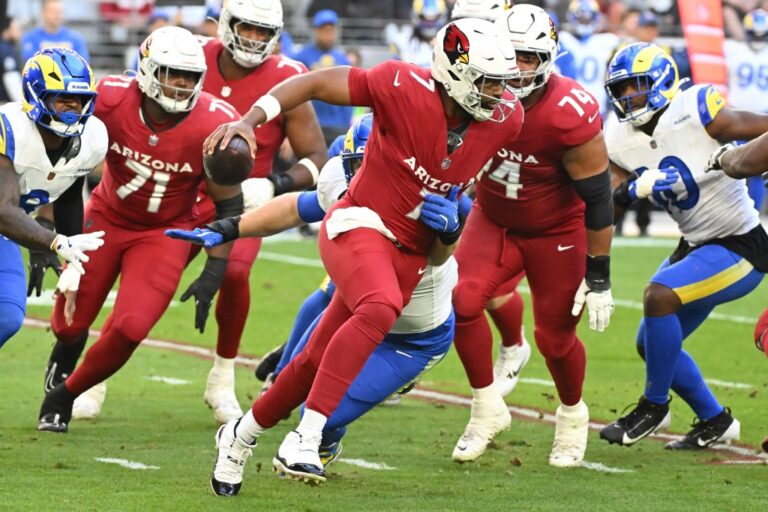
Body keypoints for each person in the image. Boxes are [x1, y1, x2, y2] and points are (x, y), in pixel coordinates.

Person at [200, 17, 523, 494]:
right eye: (488, 81)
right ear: (454, 73)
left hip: (413, 259)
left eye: (502, 82)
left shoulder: (506, 119)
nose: (499, 93)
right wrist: (249, 121)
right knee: (378, 306)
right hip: (361, 224)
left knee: (311, 361)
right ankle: (306, 437)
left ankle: (239, 437)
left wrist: (452, 229)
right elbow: (315, 83)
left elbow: (440, 256)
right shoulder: (401, 85)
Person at [169, 113, 465, 471]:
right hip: (355, 310)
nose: (371, 176)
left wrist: (450, 234)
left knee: (321, 412)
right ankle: (242, 435)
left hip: (412, 337)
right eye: (362, 165)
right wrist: (229, 228)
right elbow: (295, 208)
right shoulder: (340, 182)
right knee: (293, 381)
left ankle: (321, 439)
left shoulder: (437, 198)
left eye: (380, 164)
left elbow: (439, 258)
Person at [36, 26, 245, 433]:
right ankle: (63, 356)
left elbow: (229, 204)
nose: (182, 84)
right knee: (69, 323)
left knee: (132, 326)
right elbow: (62, 158)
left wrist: (215, 268)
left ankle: (65, 394)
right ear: (148, 70)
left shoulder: (214, 121)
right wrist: (46, 226)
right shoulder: (110, 99)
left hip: (165, 232)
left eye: (190, 76)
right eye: (172, 73)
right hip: (106, 218)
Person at [450, 5, 614, 468]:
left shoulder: (567, 111)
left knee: (555, 338)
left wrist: (599, 274)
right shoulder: (475, 87)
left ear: (547, 58)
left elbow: (599, 197)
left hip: (556, 231)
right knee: (462, 301)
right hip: (493, 218)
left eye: (529, 56)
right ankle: (486, 408)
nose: (519, 66)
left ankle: (572, 416)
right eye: (512, 54)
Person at [600, 42, 768, 450]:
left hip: (740, 244)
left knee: (658, 297)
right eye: (621, 89)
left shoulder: (695, 108)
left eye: (636, 85)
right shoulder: (618, 138)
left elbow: (760, 128)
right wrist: (629, 193)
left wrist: (742, 158)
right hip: (694, 244)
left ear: (661, 79)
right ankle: (715, 420)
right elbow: (605, 208)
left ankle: (654, 406)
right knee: (651, 342)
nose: (628, 96)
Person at [191, 0, 327, 424]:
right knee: (144, 276)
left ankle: (222, 375)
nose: (253, 39)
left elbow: (316, 157)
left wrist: (274, 184)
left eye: (262, 31)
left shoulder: (288, 76)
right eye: (246, 28)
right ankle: (93, 376)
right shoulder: (191, 55)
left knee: (234, 274)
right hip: (182, 193)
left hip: (245, 200)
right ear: (227, 23)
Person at [0, 47, 106, 348]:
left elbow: (68, 193)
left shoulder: (92, 139)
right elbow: (3, 210)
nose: (72, 107)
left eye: (79, 99)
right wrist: (53, 242)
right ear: (36, 96)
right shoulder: (9, 128)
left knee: (6, 316)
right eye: (62, 98)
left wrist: (69, 262)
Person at [723, 9, 768, 211]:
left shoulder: (732, 49)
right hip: (736, 118)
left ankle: (752, 215)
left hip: (757, 119)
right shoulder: (732, 49)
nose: (758, 39)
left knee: (755, 170)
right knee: (728, 168)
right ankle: (734, 214)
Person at [294, 9, 353, 144]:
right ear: (316, 31)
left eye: (330, 30)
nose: (327, 35)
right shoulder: (301, 57)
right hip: (310, 124)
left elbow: (350, 94)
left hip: (338, 126)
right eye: (324, 30)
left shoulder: (342, 59)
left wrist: (346, 124)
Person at [558, 0, 619, 116]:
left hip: (598, 105)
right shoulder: (563, 40)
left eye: (588, 18)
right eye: (582, 18)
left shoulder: (608, 42)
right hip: (569, 104)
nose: (585, 20)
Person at [386, 0, 449, 69]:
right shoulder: (402, 40)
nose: (429, 24)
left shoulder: (451, 42)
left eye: (434, 18)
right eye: (423, 17)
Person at [21, 0, 89, 63]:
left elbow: (83, 64)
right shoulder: (30, 38)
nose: (57, 15)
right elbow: (30, 64)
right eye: (53, 11)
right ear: (43, 12)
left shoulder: (76, 38)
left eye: (60, 11)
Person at [0, 17, 22, 104]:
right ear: (7, 30)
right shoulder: (6, 50)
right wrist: (23, 104)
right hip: (4, 103)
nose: (19, 32)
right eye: (17, 28)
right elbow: (11, 78)